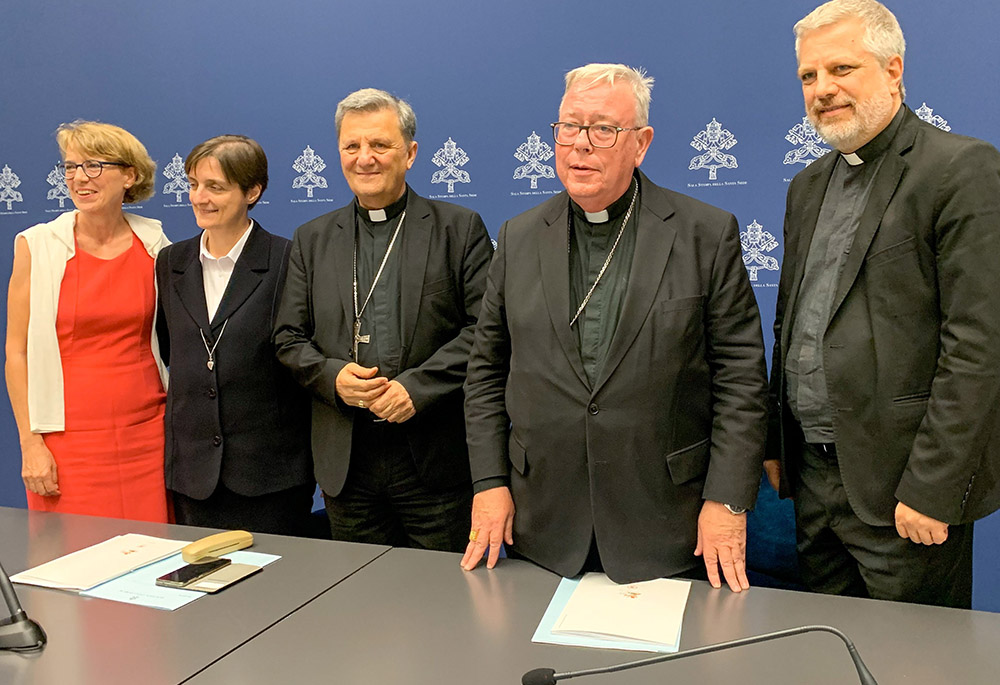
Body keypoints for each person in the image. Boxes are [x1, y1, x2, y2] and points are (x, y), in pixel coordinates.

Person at [462, 64, 768, 590]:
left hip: (670, 526)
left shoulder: (704, 234)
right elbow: (486, 373)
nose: (580, 145)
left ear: (641, 143)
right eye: (568, 127)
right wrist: (489, 482)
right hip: (542, 523)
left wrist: (727, 499)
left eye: (603, 129)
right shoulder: (517, 237)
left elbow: (741, 382)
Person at [764, 0, 1000, 608]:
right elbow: (792, 323)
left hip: (903, 490)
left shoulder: (959, 170)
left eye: (841, 69)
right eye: (808, 77)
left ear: (893, 69)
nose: (823, 90)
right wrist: (775, 443)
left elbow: (978, 346)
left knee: (915, 667)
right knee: (833, 656)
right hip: (812, 483)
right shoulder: (806, 185)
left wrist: (934, 486)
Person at [274, 89, 494, 551]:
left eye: (379, 145)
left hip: (433, 459)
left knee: (447, 600)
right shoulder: (312, 239)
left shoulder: (459, 229)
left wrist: (418, 388)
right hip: (347, 463)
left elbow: (485, 331)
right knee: (358, 604)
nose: (364, 159)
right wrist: (334, 379)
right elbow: (288, 338)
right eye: (351, 147)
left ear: (410, 153)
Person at [4, 120, 170, 522]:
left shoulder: (157, 246)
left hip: (149, 434)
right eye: (70, 167)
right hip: (65, 441)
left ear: (129, 175)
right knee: (70, 564)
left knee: (153, 561)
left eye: (93, 166)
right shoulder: (36, 246)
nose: (79, 178)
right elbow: (16, 352)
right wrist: (31, 443)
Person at [155, 135, 314, 535]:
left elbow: (302, 358)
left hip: (269, 475)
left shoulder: (287, 259)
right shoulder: (170, 261)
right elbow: (173, 350)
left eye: (215, 187)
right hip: (192, 476)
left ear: (252, 191)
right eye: (193, 184)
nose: (199, 197)